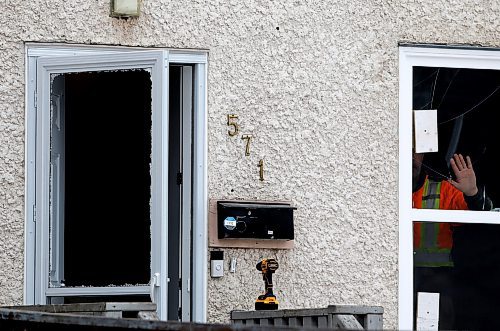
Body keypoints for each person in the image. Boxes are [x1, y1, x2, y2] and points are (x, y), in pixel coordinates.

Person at [413, 152, 492, 329]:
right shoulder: (382, 187)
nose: (412, 156)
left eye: (416, 151)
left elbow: (485, 212)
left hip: (434, 280)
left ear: (424, 155)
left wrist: (473, 194)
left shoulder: (442, 189)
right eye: (407, 147)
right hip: (394, 279)